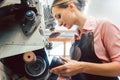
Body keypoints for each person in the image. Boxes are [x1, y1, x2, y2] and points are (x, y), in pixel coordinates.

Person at [50, 0, 120, 80]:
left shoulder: (103, 26)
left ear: (71, 7)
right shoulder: (74, 39)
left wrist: (81, 67)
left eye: (59, 16)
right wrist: (67, 74)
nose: (59, 24)